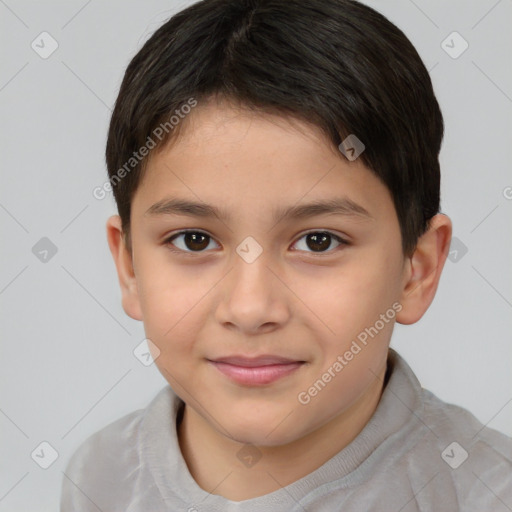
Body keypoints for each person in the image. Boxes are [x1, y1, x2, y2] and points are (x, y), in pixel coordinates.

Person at [61, 0, 512, 510]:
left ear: (417, 270)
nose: (251, 309)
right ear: (130, 268)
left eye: (319, 241)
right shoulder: (99, 477)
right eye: (194, 240)